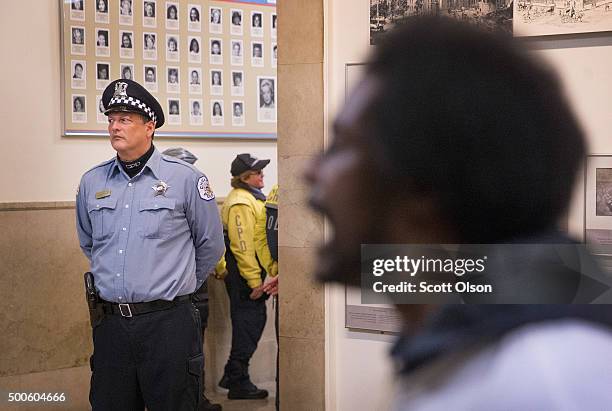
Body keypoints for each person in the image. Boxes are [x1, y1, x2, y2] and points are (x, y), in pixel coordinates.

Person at [305, 16, 612, 410]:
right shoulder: (469, 352)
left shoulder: (546, 381)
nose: (311, 170)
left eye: (343, 145)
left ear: (421, 186)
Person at [76, 79, 224, 410]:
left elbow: (211, 245)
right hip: (112, 325)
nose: (115, 126)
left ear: (150, 126)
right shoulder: (92, 181)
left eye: (125, 119)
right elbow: (90, 243)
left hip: (168, 324)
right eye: (111, 119)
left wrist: (175, 285)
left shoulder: (186, 179)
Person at [161, 148, 223, 411]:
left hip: (193, 293)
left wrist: (190, 281)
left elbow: (211, 245)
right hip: (169, 300)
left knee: (193, 353)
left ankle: (197, 399)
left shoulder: (197, 192)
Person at [218, 154, 274, 400]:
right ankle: (236, 379)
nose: (262, 175)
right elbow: (243, 245)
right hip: (245, 277)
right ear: (245, 177)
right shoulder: (241, 202)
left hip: (252, 274)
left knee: (251, 325)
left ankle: (234, 375)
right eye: (258, 172)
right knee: (248, 327)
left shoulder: (252, 198)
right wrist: (254, 282)